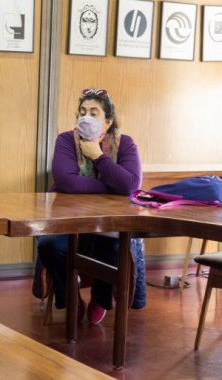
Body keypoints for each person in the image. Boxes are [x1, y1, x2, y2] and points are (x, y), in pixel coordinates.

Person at [37, 88, 146, 325]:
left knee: (114, 244)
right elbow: (67, 182)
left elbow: (131, 184)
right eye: (82, 111)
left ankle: (101, 298)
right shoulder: (66, 140)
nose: (86, 117)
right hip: (67, 219)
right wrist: (112, 186)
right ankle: (70, 298)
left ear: (107, 122)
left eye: (94, 113)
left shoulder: (124, 144)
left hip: (108, 222)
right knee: (48, 244)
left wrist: (98, 157)